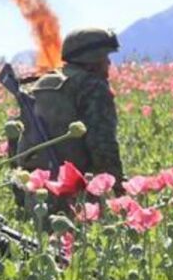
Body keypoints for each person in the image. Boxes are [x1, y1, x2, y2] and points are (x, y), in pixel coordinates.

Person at [17, 27, 125, 195]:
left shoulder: (42, 83)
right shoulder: (91, 86)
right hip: (73, 192)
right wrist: (116, 189)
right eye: (106, 57)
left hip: (30, 186)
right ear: (93, 59)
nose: (109, 63)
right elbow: (102, 144)